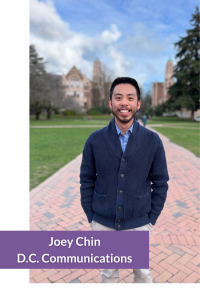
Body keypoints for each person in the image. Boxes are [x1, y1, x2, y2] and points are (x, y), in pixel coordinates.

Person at [80, 77, 169, 283]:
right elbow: (86, 180)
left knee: (142, 274)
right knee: (108, 273)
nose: (124, 103)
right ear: (110, 102)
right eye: (118, 97)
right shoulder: (94, 140)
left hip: (139, 222)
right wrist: (92, 217)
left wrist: (150, 220)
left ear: (138, 104)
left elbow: (161, 183)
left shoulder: (152, 141)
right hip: (103, 222)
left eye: (130, 98)